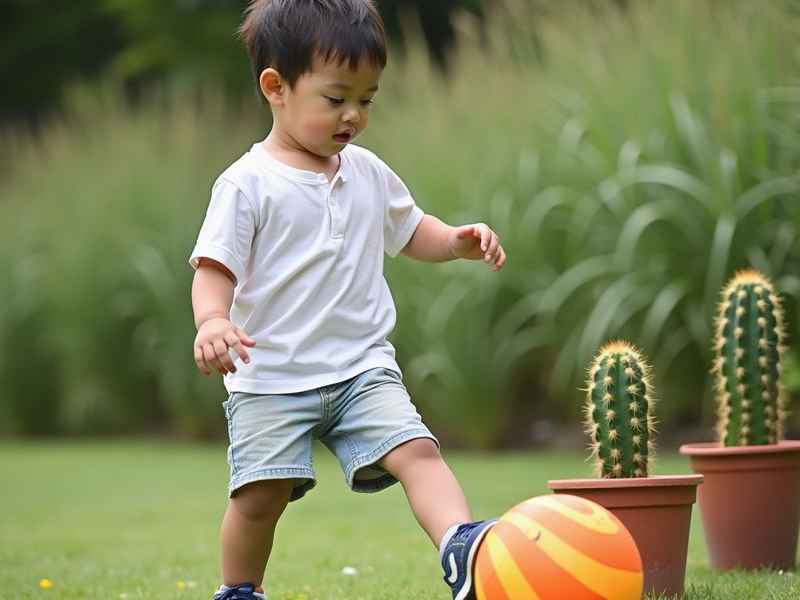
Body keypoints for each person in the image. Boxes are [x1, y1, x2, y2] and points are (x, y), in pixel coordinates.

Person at [189, 1, 507, 598]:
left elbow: (412, 230)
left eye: (368, 99)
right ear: (276, 87)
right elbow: (214, 269)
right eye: (336, 99)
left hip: (362, 365)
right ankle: (239, 590)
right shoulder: (247, 184)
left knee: (418, 451)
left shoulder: (366, 171)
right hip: (270, 376)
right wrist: (212, 319)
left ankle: (461, 546)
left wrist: (456, 241)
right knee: (260, 497)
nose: (354, 115)